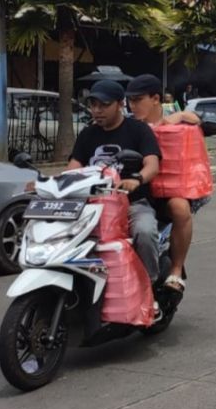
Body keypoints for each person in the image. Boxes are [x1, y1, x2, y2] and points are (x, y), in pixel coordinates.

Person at [68, 80, 162, 293]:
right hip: (91, 206)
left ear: (120, 104)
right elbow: (73, 168)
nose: (97, 111)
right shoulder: (87, 134)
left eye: (104, 105)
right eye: (93, 105)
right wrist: (49, 184)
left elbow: (152, 164)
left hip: (132, 204)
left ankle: (150, 288)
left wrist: (136, 179)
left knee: (145, 232)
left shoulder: (138, 130)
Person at [125, 75, 209, 295]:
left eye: (138, 100)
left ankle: (176, 268)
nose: (133, 106)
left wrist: (180, 115)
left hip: (166, 191)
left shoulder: (175, 121)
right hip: (130, 190)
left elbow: (196, 119)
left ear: (155, 99)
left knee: (180, 209)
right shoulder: (126, 125)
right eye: (130, 101)